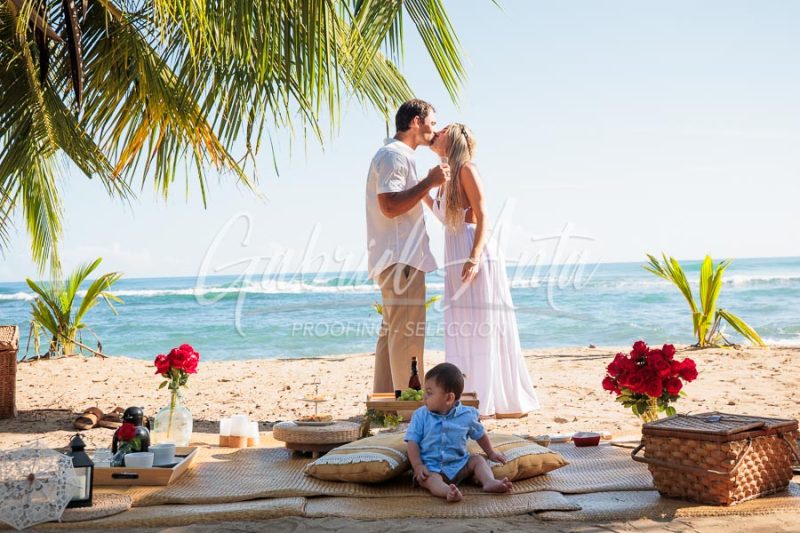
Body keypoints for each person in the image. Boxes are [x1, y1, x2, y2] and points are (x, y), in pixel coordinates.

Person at [424, 124, 540, 418]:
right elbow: (443, 217)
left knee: (480, 323)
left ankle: (490, 398)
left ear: (455, 140)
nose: (437, 133)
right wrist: (423, 186)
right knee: (462, 323)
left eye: (443, 130)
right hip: (454, 251)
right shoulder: (444, 176)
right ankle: (470, 394)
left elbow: (483, 213)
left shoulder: (466, 169)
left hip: (472, 250)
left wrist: (474, 257)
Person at [365, 99, 450, 393]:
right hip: (402, 260)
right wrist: (429, 182)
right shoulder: (394, 156)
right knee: (407, 336)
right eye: (433, 123)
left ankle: (385, 403)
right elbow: (389, 206)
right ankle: (410, 408)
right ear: (416, 122)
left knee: (392, 334)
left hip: (397, 258)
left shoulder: (395, 155)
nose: (434, 130)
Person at [404, 362, 513, 502]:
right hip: (432, 468)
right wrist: (418, 465)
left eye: (430, 392)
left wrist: (491, 452)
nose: (424, 396)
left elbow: (480, 434)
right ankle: (447, 491)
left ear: (449, 398)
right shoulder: (420, 415)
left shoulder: (467, 415)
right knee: (428, 479)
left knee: (478, 460)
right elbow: (412, 442)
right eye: (425, 391)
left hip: (460, 465)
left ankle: (489, 482)